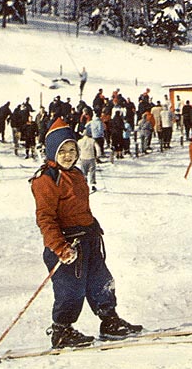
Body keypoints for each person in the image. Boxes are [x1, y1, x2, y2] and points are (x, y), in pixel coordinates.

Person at [31, 118, 142, 348]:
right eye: (63, 151)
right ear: (53, 151)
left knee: (102, 281)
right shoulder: (46, 180)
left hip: (88, 239)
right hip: (67, 245)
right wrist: (60, 247)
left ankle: (109, 321)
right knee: (71, 289)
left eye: (72, 150)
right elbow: (46, 219)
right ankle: (62, 330)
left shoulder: (77, 174)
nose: (69, 155)